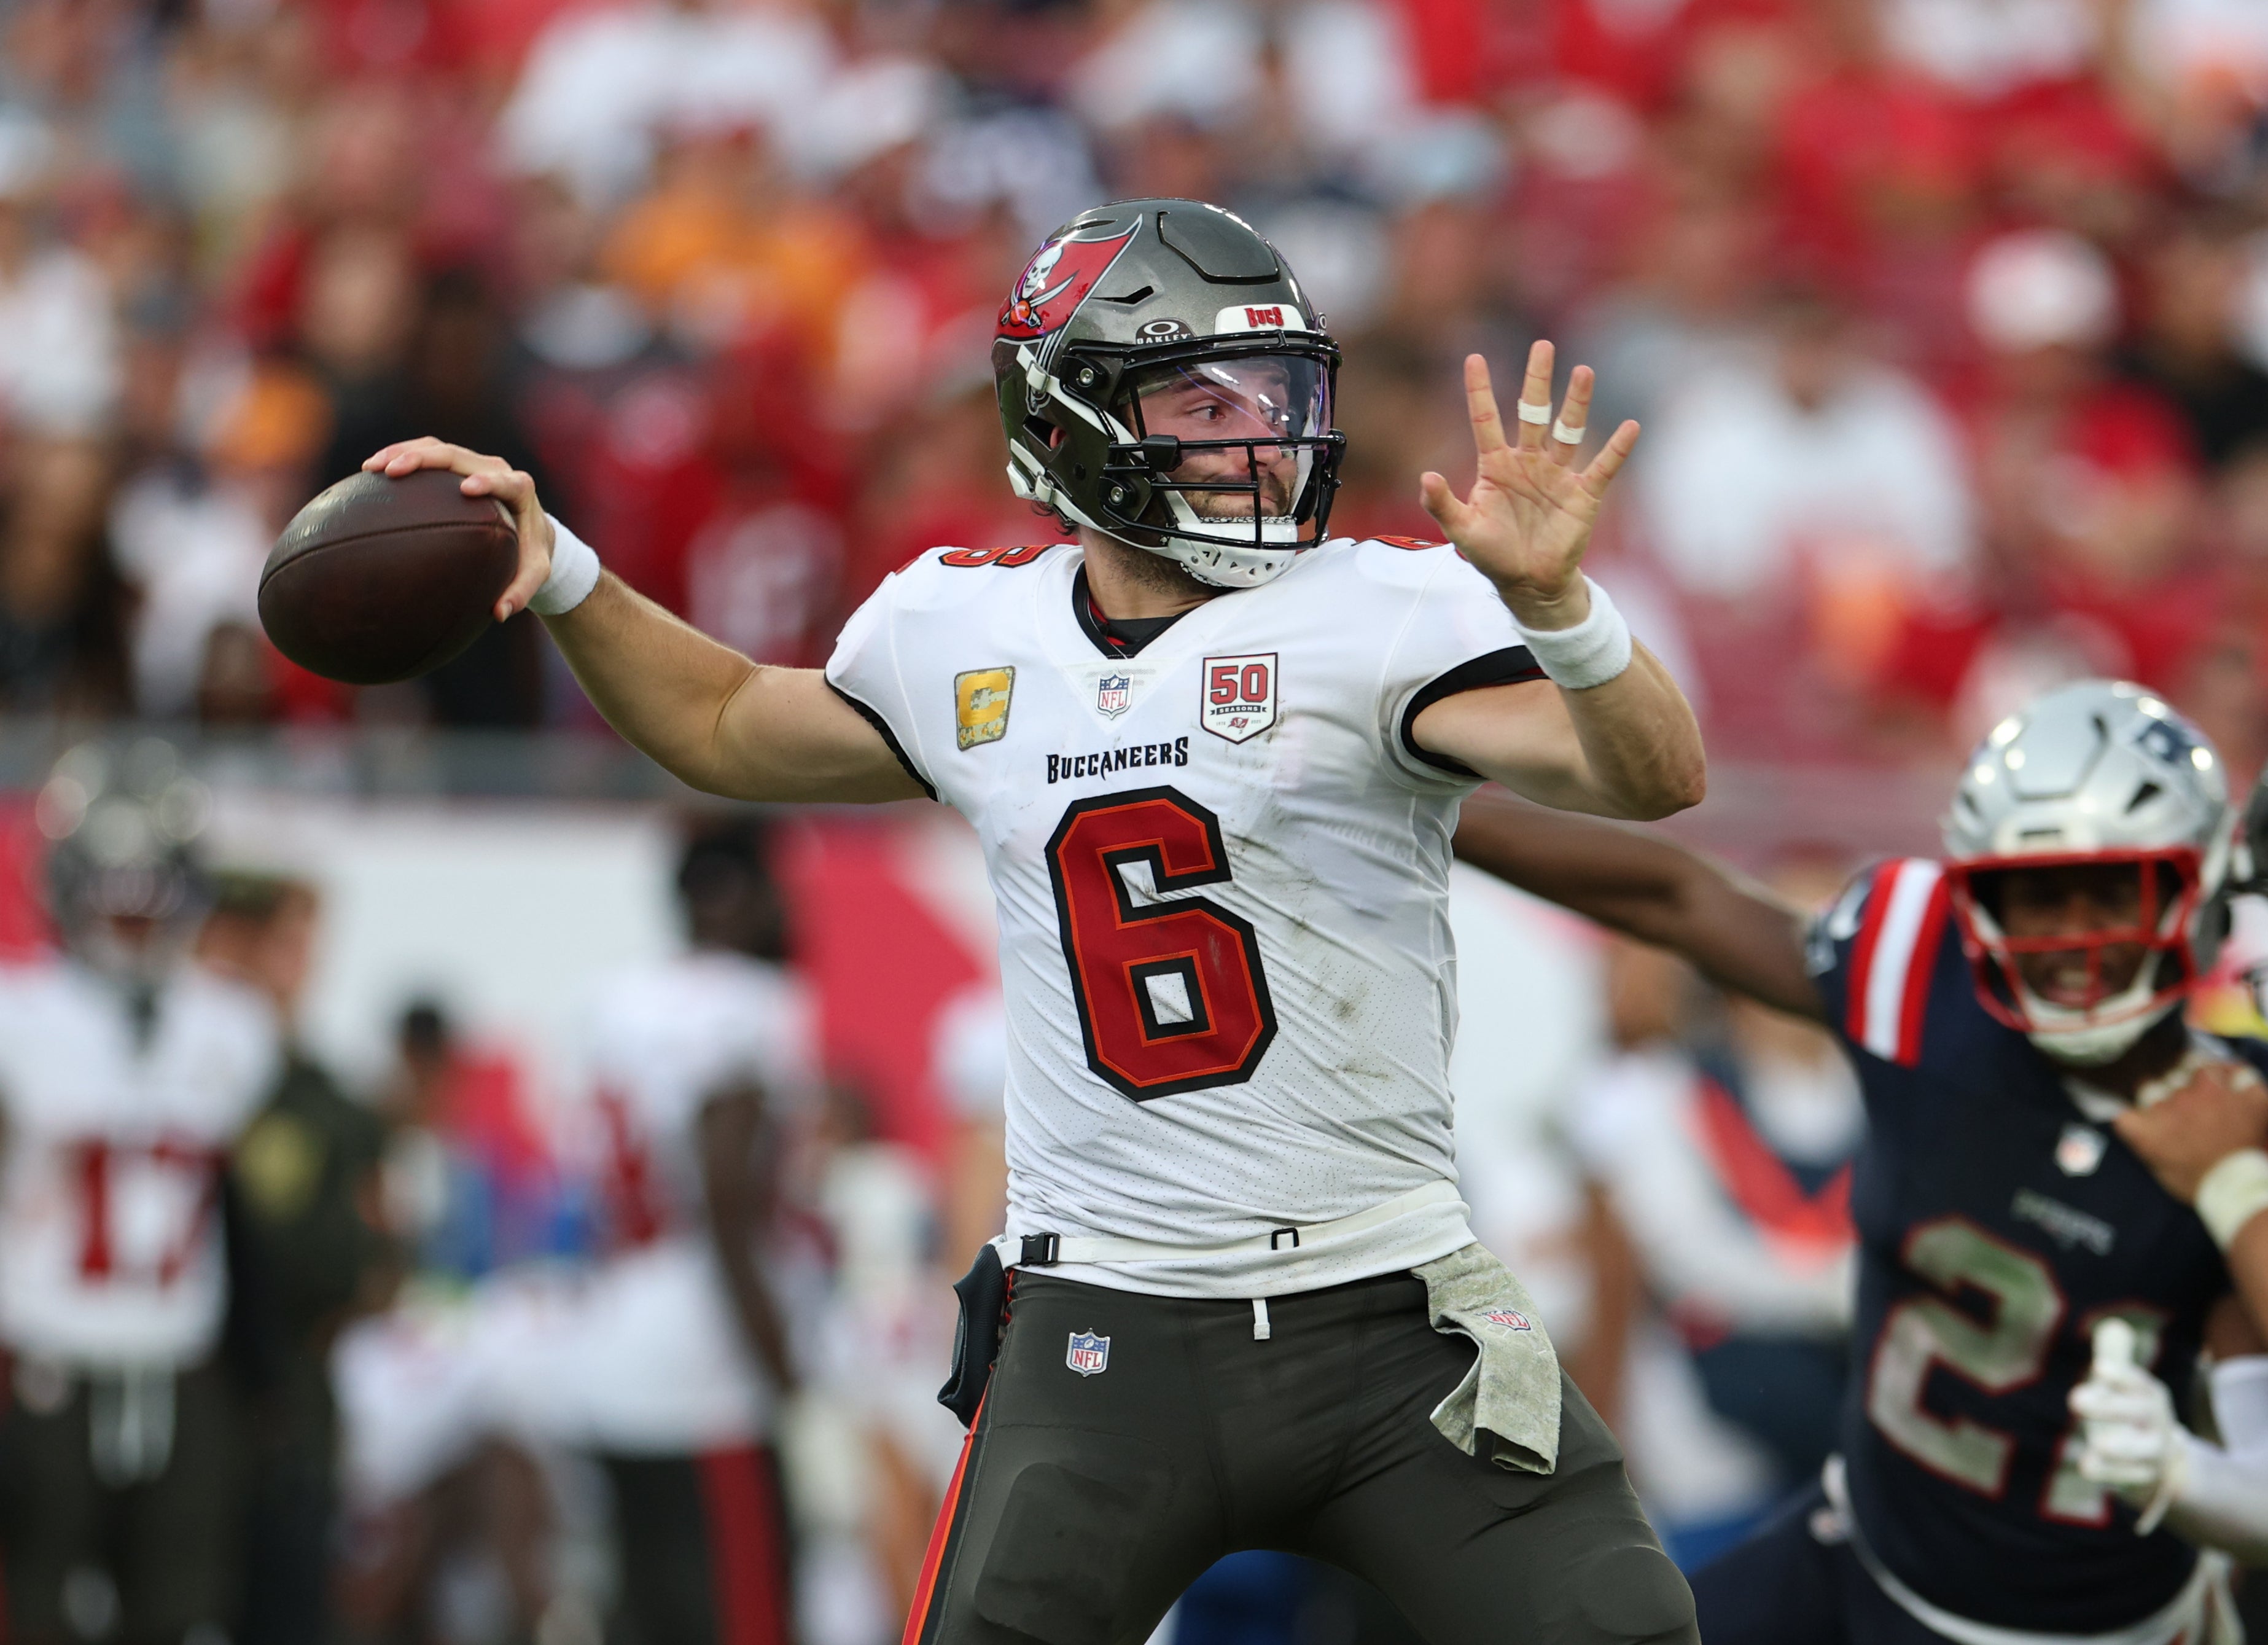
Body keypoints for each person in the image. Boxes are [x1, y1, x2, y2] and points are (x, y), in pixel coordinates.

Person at [363, 196, 1708, 1644]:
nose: (1260, 441)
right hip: (1106, 1331)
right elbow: (725, 717)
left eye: (1275, 397)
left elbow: (1652, 773)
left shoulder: (1376, 610)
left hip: (1386, 1310)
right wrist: (564, 565)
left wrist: (1566, 614)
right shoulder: (962, 636)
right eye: (1203, 402)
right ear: (1071, 425)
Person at [1452, 678, 2268, 1643]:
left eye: (2110, 890)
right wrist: (1434, 807)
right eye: (2035, 895)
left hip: (2076, 1628)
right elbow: (1677, 896)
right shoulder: (1924, 975)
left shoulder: (2230, 1117)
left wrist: (2183, 1473)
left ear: (2198, 882)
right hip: (1860, 1545)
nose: (2073, 937)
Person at [0, 742, 281, 1645]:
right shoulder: (20, 1012)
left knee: (186, 1611)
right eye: (113, 889)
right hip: (49, 1364)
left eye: (151, 889)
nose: (132, 912)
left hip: (182, 1363)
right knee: (40, 1605)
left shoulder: (231, 1023)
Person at [568, 816, 813, 1645]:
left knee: (648, 1612)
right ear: (739, 896)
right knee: (746, 1616)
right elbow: (725, 1204)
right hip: (706, 1366)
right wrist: (787, 1373)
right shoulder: (750, 1005)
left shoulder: (617, 998)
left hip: (612, 1336)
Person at [195, 872, 394, 1645]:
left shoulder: (331, 1105)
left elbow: (373, 1264)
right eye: (274, 941)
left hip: (293, 1411)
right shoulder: (175, 1085)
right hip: (188, 1404)